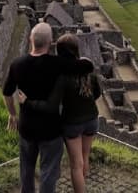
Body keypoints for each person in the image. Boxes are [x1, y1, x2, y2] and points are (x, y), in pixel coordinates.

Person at [17, 34, 101, 193]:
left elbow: (51, 106)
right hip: (92, 119)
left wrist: (28, 102)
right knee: (84, 158)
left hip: (73, 123)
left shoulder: (61, 75)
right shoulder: (88, 69)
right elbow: (96, 93)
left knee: (76, 164)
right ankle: (83, 184)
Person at [3, 23, 67, 193]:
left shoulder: (17, 64)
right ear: (50, 42)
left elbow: (7, 93)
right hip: (51, 129)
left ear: (31, 39)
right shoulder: (58, 65)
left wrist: (12, 114)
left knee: (26, 169)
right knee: (49, 173)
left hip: (27, 127)